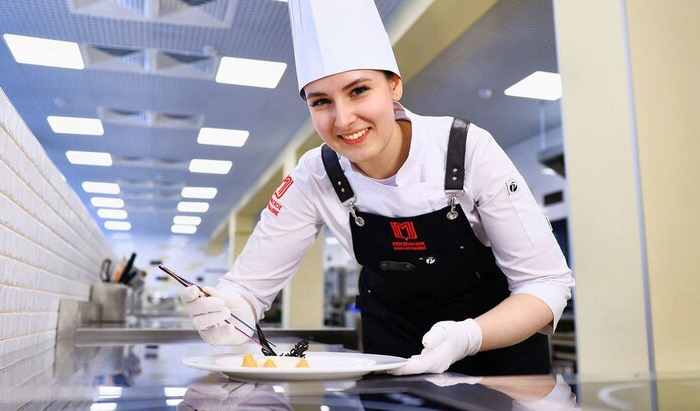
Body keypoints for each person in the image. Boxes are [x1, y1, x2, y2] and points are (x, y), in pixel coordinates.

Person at [180, 0, 574, 376]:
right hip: (392, 360)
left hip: (501, 359)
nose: (343, 119)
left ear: (394, 86)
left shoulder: (466, 149)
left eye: (358, 90)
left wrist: (466, 337)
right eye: (321, 102)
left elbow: (546, 283)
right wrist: (227, 313)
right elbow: (247, 290)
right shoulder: (314, 176)